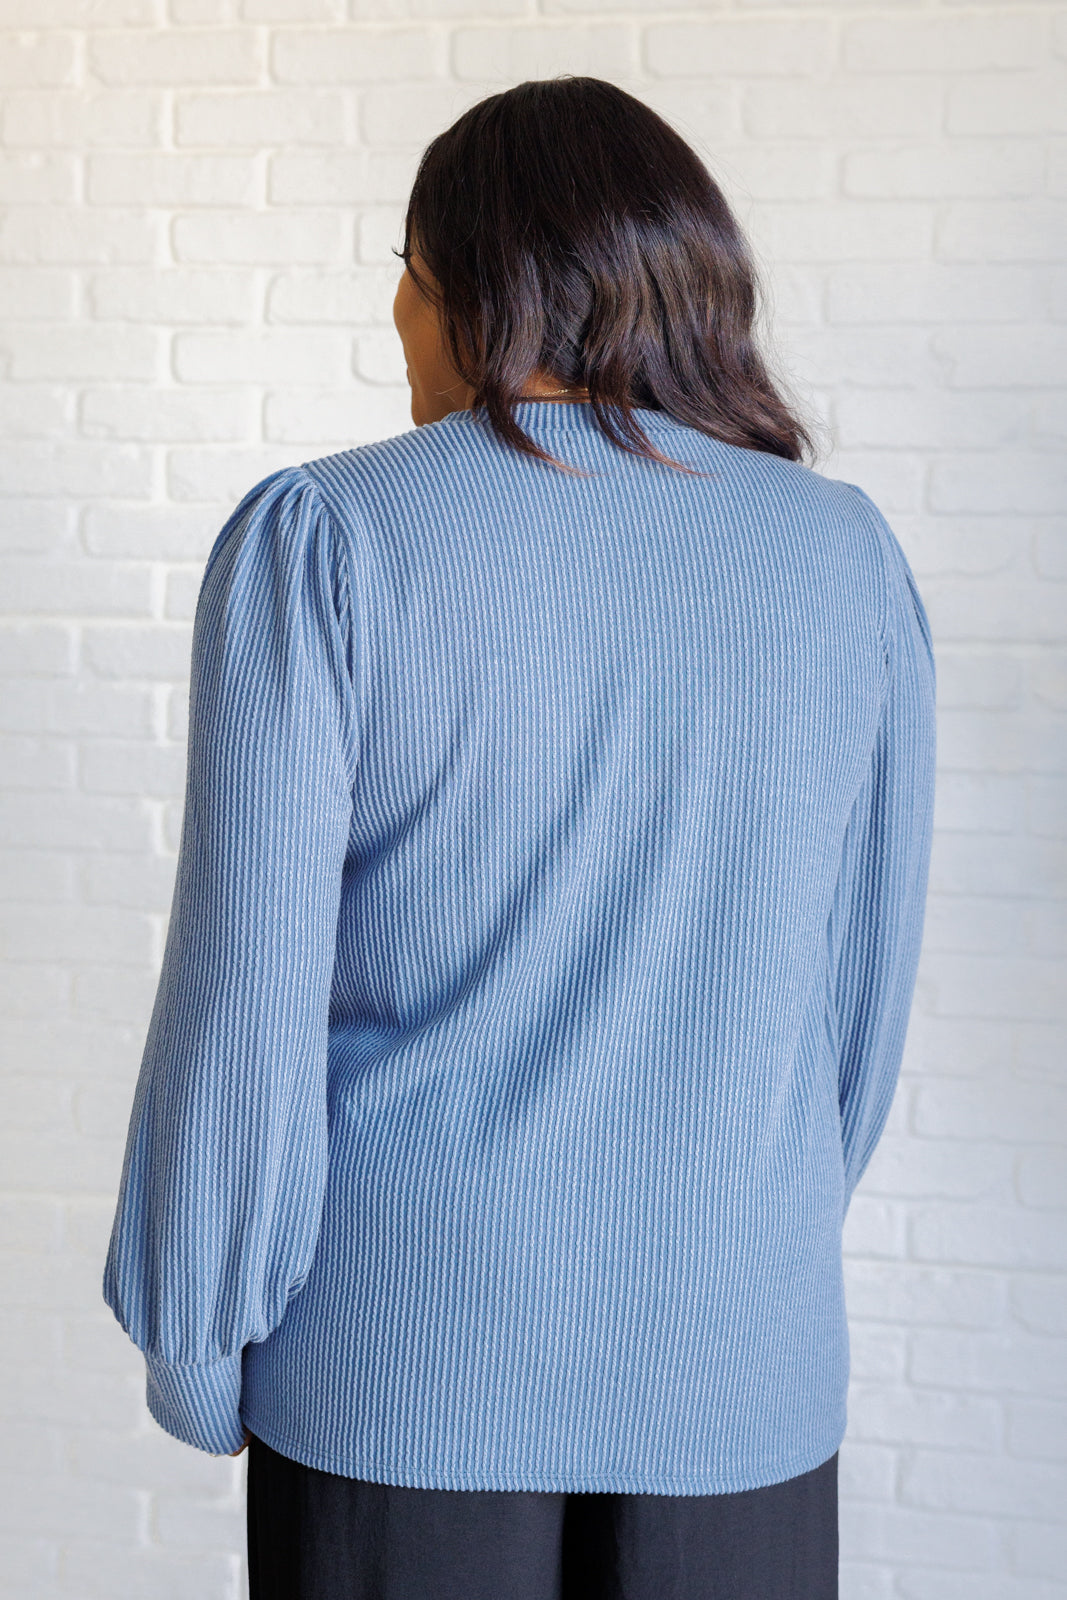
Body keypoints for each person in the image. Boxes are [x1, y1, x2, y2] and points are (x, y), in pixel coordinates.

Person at [102, 76, 937, 1599]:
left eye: (407, 274)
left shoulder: (327, 540)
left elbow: (246, 996)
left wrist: (201, 1331)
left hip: (404, 1354)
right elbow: (856, 1006)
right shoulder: (841, 556)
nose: (396, 321)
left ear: (474, 288)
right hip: (736, 1354)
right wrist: (740, 1235)